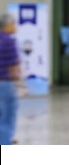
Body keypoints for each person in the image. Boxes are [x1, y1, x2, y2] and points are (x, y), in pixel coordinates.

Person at [0, 14, 20, 145]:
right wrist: (18, 83)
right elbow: (14, 66)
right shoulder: (9, 41)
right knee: (8, 116)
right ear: (7, 25)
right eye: (13, 24)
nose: (15, 27)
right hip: (6, 84)